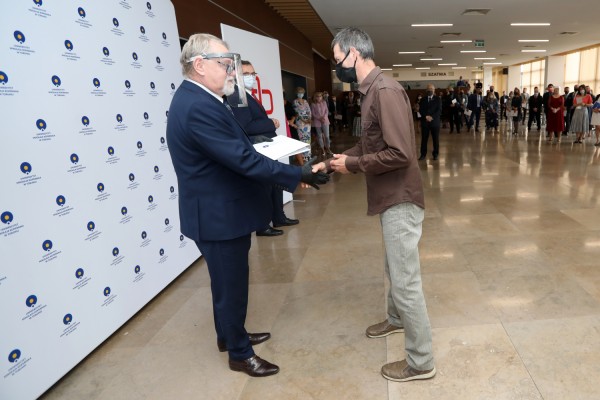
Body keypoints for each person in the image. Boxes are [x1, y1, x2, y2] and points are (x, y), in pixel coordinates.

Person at [166, 33, 328, 378]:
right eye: (224, 65)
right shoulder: (197, 105)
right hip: (217, 216)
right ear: (199, 65)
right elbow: (242, 160)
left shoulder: (201, 99)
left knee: (226, 283)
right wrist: (295, 173)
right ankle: (240, 353)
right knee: (232, 285)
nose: (230, 72)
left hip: (219, 211)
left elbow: (234, 151)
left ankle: (229, 335)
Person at [314, 27, 435, 383]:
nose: (338, 68)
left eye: (338, 61)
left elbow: (400, 153)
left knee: (405, 281)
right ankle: (396, 320)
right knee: (392, 268)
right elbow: (370, 144)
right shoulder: (370, 92)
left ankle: (421, 361)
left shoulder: (384, 91)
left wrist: (353, 165)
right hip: (388, 198)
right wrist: (339, 158)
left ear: (354, 53)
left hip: (400, 198)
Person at [228, 60, 299, 236]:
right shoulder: (237, 95)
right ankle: (262, 225)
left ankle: (278, 216)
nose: (251, 77)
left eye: (253, 74)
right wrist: (270, 123)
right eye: (246, 74)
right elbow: (246, 125)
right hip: (259, 146)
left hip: (267, 145)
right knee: (264, 187)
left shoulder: (247, 94)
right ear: (236, 76)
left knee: (275, 184)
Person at [418, 83, 441, 160]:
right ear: (426, 90)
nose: (430, 90)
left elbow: (439, 111)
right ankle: (423, 155)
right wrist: (426, 116)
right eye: (428, 89)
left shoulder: (438, 99)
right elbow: (420, 110)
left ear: (434, 90)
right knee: (424, 139)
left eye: (431, 89)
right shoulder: (422, 100)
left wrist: (431, 117)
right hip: (425, 123)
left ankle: (435, 154)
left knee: (435, 139)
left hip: (435, 123)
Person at [310, 91, 332, 157]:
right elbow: (313, 113)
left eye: (320, 96)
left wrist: (323, 118)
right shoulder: (313, 104)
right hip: (317, 122)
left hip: (325, 120)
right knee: (319, 136)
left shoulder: (324, 102)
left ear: (322, 97)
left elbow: (326, 111)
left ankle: (328, 148)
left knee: (327, 136)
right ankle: (322, 149)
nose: (319, 97)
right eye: (317, 96)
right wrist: (319, 118)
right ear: (315, 97)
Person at [293, 87, 312, 161]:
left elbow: (309, 111)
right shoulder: (295, 101)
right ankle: (303, 156)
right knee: (302, 138)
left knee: (308, 138)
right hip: (300, 122)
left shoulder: (305, 101)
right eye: (299, 92)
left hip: (307, 122)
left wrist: (309, 119)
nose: (301, 94)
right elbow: (297, 112)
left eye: (302, 92)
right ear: (297, 93)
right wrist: (303, 120)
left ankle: (308, 155)